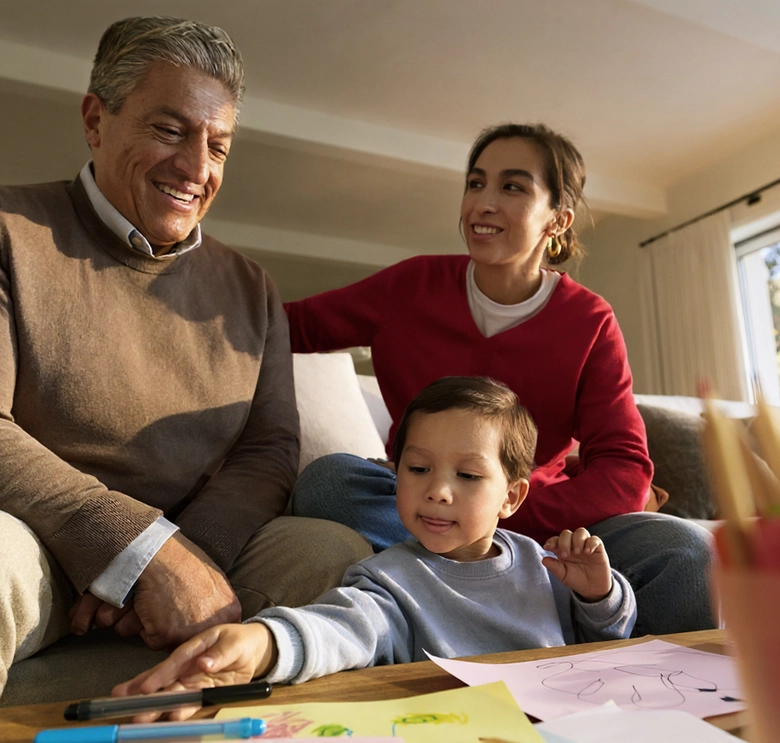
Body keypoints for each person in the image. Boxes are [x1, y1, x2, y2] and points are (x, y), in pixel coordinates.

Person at [0, 15, 371, 697]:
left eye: (218, 146)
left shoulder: (252, 288)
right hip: (38, 538)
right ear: (95, 119)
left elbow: (268, 450)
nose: (197, 168)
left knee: (335, 555)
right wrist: (137, 553)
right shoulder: (8, 231)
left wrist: (185, 557)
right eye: (169, 130)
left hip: (197, 540)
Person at [285, 123, 716, 637]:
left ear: (558, 218)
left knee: (686, 552)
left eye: (512, 187)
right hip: (434, 499)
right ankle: (522, 584)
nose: (483, 204)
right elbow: (284, 324)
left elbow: (624, 469)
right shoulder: (411, 285)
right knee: (329, 482)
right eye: (475, 183)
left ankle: (647, 688)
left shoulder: (590, 321)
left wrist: (498, 507)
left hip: (542, 519)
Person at [114, 376, 636, 715]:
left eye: (469, 475)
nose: (437, 489)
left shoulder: (540, 563)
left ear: (512, 497)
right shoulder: (390, 578)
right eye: (418, 468)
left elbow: (608, 635)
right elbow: (341, 627)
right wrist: (261, 645)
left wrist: (600, 595)